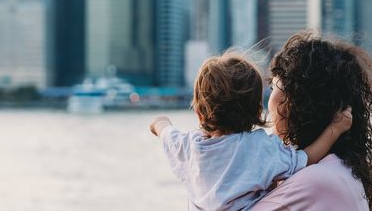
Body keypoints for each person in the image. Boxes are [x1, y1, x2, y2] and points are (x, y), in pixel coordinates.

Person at [149, 52, 353, 211]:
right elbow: (306, 159)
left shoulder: (189, 146)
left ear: (199, 113)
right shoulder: (261, 148)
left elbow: (165, 132)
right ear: (257, 110)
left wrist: (160, 122)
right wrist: (334, 129)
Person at [253, 31, 372, 211]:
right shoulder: (338, 169)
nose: (269, 100)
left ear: (292, 102)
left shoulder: (315, 181)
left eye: (274, 87)